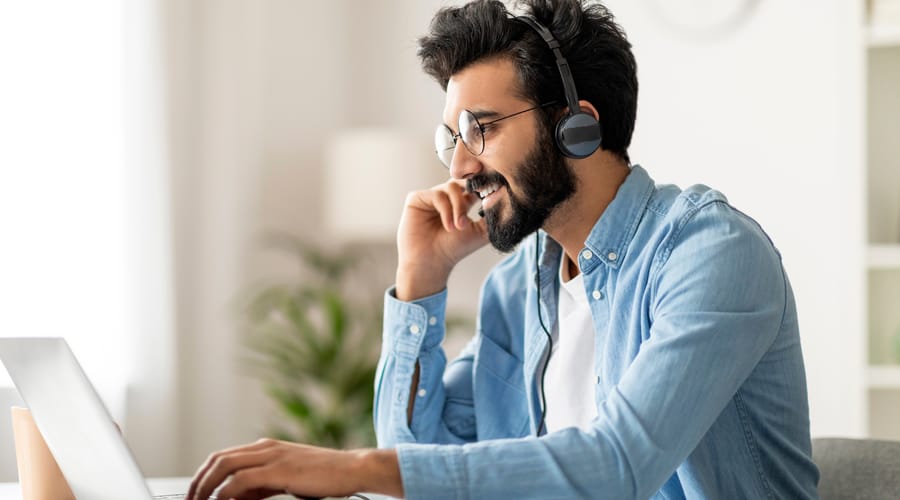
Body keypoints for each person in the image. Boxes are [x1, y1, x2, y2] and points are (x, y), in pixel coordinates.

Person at [188, 0, 821, 498]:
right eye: (451, 138)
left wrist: (352, 468)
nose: (461, 164)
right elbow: (422, 462)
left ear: (578, 127)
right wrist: (421, 280)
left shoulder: (710, 254)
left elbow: (618, 466)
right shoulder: (519, 287)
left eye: (481, 130)